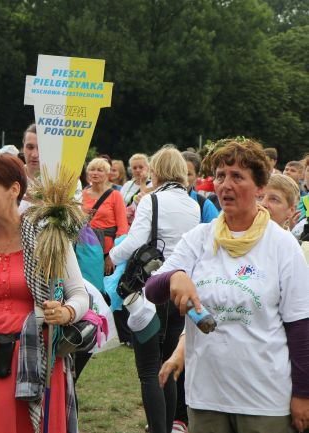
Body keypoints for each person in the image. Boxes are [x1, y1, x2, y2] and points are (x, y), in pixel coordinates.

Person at [149, 139, 309, 433]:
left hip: (264, 400)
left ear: (259, 187)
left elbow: (300, 326)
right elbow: (152, 289)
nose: (226, 184)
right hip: (206, 396)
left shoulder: (282, 244)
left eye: (238, 177)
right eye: (221, 176)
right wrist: (175, 276)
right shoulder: (199, 238)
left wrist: (303, 394)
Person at [0, 153, 89, 433]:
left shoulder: (49, 239)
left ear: (14, 189)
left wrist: (65, 312)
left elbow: (80, 295)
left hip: (37, 359)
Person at [110, 146, 200, 433]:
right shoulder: (192, 204)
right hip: (180, 288)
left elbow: (136, 240)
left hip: (152, 289)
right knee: (168, 366)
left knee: (148, 369)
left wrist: (110, 256)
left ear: (156, 170)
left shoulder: (152, 200)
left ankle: (157, 429)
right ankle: (169, 425)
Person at [82, 158, 129, 268]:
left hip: (107, 248)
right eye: (92, 169)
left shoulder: (115, 195)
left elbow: (122, 228)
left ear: (107, 173)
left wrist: (113, 256)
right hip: (86, 246)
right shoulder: (82, 194)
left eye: (100, 170)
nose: (95, 173)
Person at [181, 151, 219, 223]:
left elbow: (217, 232)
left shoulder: (204, 205)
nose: (183, 178)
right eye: (180, 172)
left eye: (188, 174)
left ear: (197, 176)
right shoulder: (159, 201)